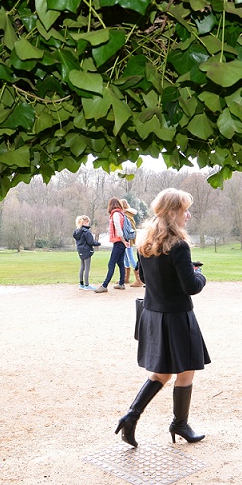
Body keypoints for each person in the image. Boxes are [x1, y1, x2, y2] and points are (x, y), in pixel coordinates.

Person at [114, 188, 209, 447]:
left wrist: (183, 271)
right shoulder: (178, 245)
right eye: (184, 210)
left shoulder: (145, 242)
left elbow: (143, 277)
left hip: (154, 316)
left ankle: (131, 417)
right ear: (172, 212)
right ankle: (180, 424)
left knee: (161, 374)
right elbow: (191, 287)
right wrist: (200, 275)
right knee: (186, 371)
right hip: (177, 317)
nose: (188, 215)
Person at [93, 198, 128, 293]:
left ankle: (105, 285)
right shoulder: (121, 214)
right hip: (121, 242)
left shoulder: (116, 214)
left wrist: (123, 241)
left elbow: (118, 229)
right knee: (120, 263)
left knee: (111, 263)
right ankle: (121, 283)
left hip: (119, 242)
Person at [119, 199, 143, 288]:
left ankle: (139, 279)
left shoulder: (126, 215)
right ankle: (126, 278)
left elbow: (128, 229)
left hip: (127, 239)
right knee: (126, 258)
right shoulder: (127, 215)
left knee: (130, 258)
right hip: (127, 239)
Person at [73, 215, 100, 290]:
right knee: (87, 268)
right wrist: (98, 243)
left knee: (82, 267)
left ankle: (81, 284)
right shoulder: (86, 231)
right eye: (88, 222)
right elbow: (90, 242)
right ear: (85, 222)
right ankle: (87, 285)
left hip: (80, 250)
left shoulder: (77, 231)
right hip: (87, 250)